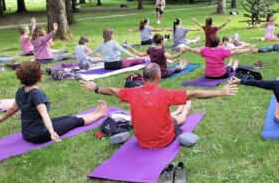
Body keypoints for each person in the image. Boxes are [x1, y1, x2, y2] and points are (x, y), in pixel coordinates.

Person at [80, 63, 239, 149]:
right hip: (163, 141)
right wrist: (220, 92)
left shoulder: (132, 93)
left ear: (142, 78)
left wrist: (95, 88)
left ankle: (178, 109)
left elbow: (113, 91)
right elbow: (194, 93)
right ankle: (184, 109)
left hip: (141, 141)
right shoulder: (166, 93)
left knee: (168, 116)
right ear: (159, 76)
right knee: (181, 119)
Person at [0, 61, 108, 144]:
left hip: (27, 133)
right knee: (75, 121)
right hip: (40, 134)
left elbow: (13, 109)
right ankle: (100, 114)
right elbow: (44, 114)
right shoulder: (36, 94)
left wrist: (1, 119)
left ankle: (95, 112)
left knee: (67, 117)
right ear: (40, 77)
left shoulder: (20, 91)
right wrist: (51, 131)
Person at [188, 35, 256, 79]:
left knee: (225, 66)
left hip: (208, 75)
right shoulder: (222, 51)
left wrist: (189, 48)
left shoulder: (205, 50)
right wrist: (249, 49)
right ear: (218, 43)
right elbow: (236, 52)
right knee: (229, 68)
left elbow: (196, 51)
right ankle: (234, 66)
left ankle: (229, 64)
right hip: (221, 74)